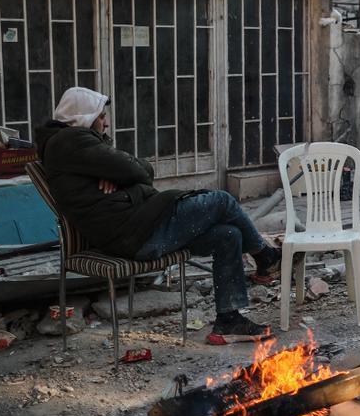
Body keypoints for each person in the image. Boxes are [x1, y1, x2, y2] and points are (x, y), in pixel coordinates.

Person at [35, 87, 280, 344]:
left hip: (137, 229)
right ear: (82, 117)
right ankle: (266, 257)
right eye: (100, 116)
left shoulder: (68, 146)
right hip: (137, 232)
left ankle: (229, 321)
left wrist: (121, 177)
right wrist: (125, 174)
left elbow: (134, 170)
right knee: (222, 201)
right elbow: (138, 170)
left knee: (228, 235)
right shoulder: (71, 141)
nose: (105, 122)